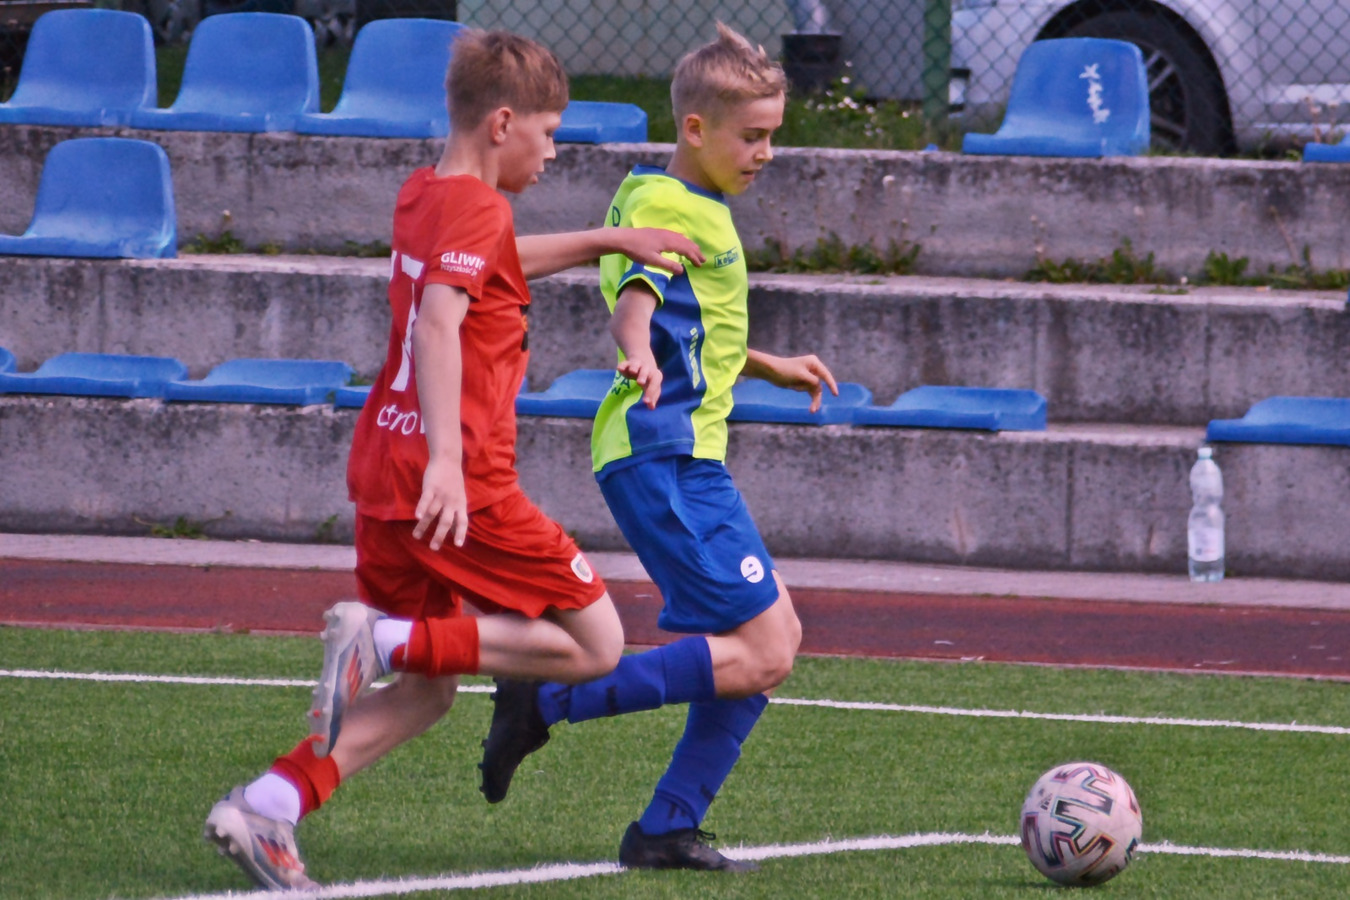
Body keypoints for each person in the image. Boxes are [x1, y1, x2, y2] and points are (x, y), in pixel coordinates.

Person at [202, 29, 704, 891]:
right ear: (503, 123)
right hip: (458, 480)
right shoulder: (479, 210)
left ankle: (269, 804)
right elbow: (439, 321)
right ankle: (381, 638)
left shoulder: (425, 193)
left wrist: (610, 241)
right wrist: (445, 464)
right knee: (596, 642)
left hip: (382, 471)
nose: (553, 151)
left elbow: (492, 265)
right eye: (548, 132)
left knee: (428, 690)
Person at [479, 22, 838, 873]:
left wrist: (767, 364)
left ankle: (667, 829)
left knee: (766, 647)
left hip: (675, 454)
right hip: (664, 455)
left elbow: (694, 324)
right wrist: (635, 348)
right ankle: (548, 699)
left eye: (772, 136)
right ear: (695, 129)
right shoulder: (672, 209)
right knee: (766, 649)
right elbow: (639, 302)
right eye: (752, 137)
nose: (766, 154)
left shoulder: (668, 195)